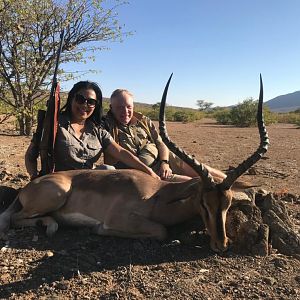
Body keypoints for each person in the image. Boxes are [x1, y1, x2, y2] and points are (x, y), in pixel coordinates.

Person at [25, 81, 159, 181]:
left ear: (96, 106)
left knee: (109, 171)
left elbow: (120, 152)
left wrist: (148, 171)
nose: (85, 105)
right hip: (60, 181)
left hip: (87, 183)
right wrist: (34, 177)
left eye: (91, 102)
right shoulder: (54, 125)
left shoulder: (97, 130)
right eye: (80, 99)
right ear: (72, 98)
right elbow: (31, 155)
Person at [104, 89, 226, 181]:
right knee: (195, 183)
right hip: (147, 172)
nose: (125, 112)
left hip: (164, 158)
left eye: (129, 107)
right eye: (119, 107)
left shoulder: (143, 120)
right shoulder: (105, 126)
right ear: (111, 107)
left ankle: (230, 182)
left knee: (203, 171)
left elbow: (160, 142)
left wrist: (164, 162)